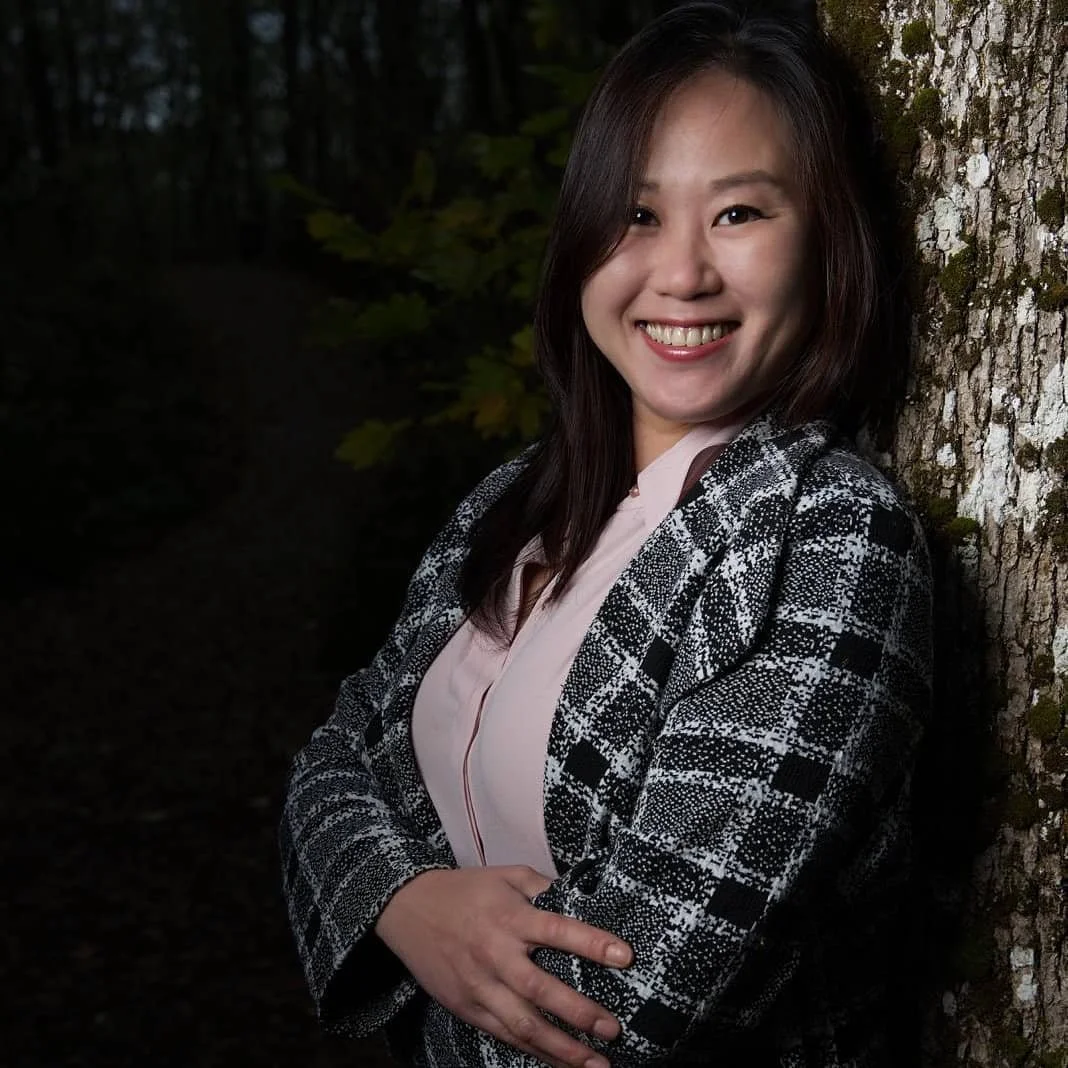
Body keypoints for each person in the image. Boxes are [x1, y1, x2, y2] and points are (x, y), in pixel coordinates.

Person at [279, 2, 933, 1065]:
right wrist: (404, 903)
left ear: (828, 242)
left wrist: (412, 944)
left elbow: (633, 1000)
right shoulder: (515, 500)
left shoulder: (833, 537)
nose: (681, 275)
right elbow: (333, 757)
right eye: (636, 214)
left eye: (739, 213)